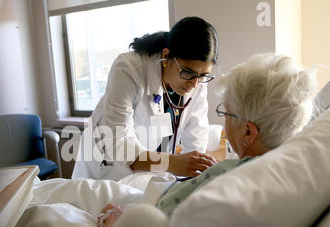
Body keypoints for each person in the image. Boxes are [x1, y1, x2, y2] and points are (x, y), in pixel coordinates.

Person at [96, 53, 317, 227]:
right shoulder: (290, 177)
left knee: (53, 216)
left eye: (227, 114)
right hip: (119, 176)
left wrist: (115, 222)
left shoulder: (226, 183)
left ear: (248, 133)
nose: (223, 123)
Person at [72, 17, 220, 181]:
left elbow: (196, 136)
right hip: (106, 170)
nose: (194, 84)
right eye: (187, 72)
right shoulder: (129, 68)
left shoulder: (197, 80)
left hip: (151, 173)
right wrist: (173, 163)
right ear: (166, 56)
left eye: (203, 75)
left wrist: (196, 174)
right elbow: (119, 145)